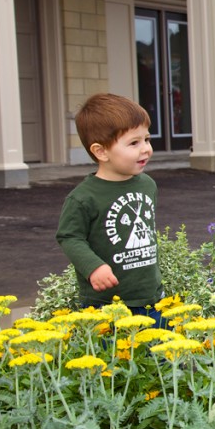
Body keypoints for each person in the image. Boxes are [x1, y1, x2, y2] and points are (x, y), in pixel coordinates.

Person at [56, 93, 163, 316]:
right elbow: (69, 236)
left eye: (147, 139)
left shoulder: (147, 185)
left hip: (151, 296)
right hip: (107, 303)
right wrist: (93, 267)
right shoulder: (84, 197)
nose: (145, 148)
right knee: (114, 350)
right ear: (101, 151)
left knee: (156, 350)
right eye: (134, 143)